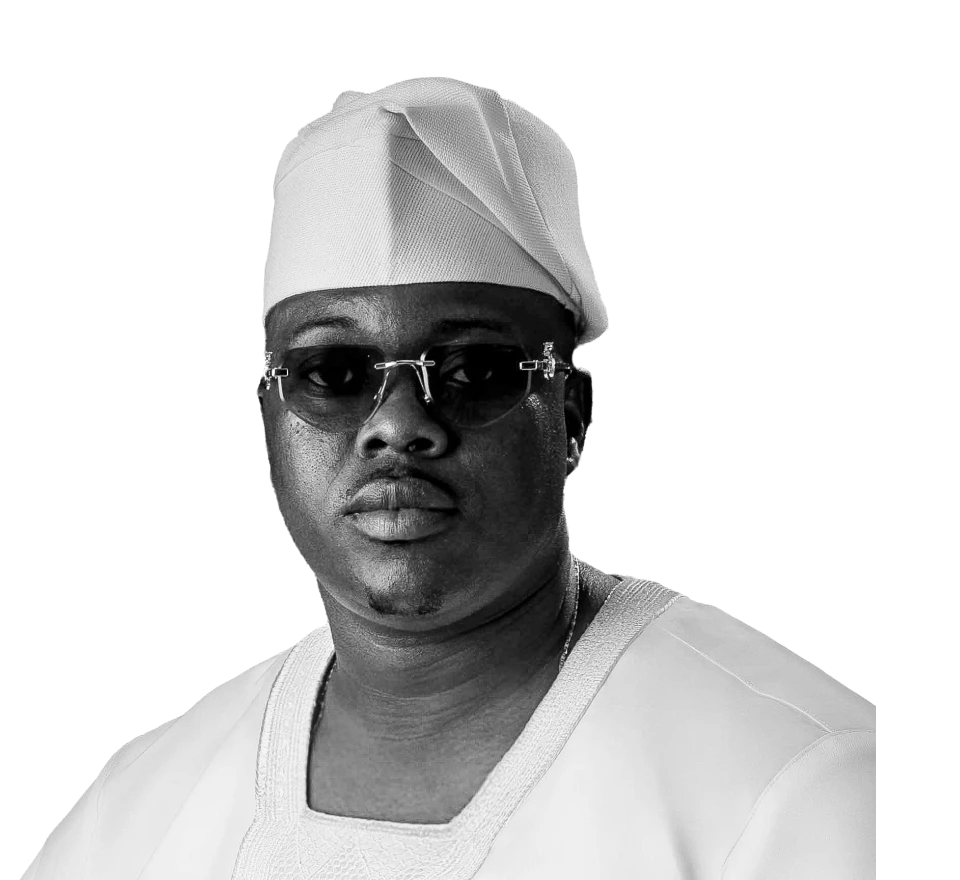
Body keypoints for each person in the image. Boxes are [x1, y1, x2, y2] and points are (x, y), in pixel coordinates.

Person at [23, 77, 879, 879]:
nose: (399, 425)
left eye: (475, 369)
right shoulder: (132, 822)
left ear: (573, 414)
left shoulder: (799, 792)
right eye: (333, 372)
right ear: (267, 421)